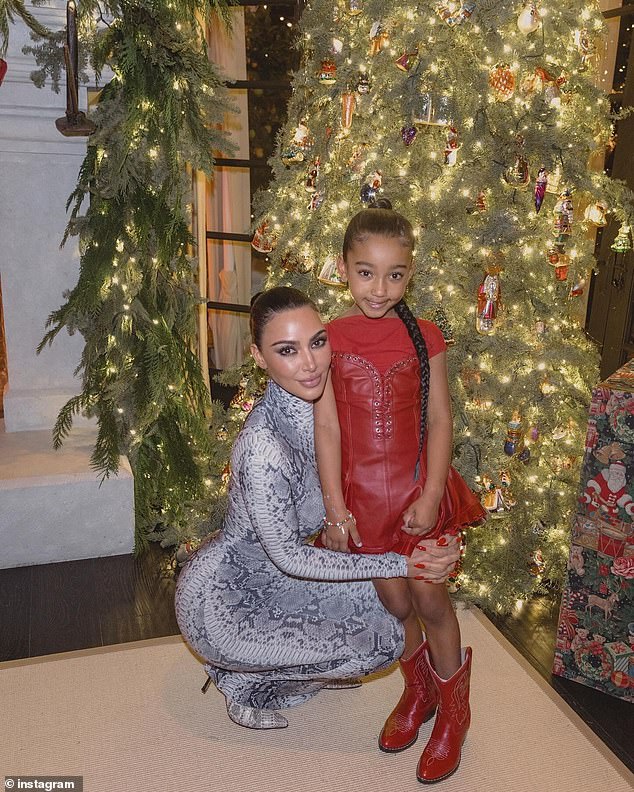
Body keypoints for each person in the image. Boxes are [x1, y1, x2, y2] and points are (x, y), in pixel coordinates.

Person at [175, 287, 460, 732]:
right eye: (286, 350)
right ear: (258, 356)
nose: (309, 363)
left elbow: (400, 458)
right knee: (384, 635)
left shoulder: (328, 403)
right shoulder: (262, 449)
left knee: (395, 599)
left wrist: (440, 532)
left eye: (317, 342)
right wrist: (403, 560)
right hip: (228, 603)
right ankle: (247, 681)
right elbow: (289, 556)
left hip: (291, 577)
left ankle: (432, 700)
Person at [314, 202, 486, 783]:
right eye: (366, 272)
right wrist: (336, 511)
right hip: (363, 502)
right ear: (343, 268)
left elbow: (440, 419)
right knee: (393, 602)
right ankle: (421, 693)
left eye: (395, 274)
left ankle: (453, 714)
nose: (379, 288)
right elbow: (329, 426)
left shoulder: (427, 337)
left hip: (417, 495)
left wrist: (434, 493)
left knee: (430, 599)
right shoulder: (331, 337)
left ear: (411, 273)